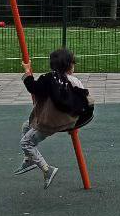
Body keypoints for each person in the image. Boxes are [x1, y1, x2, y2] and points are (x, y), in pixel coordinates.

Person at [15, 47, 93, 188]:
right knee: (26, 125)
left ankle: (47, 169)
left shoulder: (48, 79)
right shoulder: (75, 81)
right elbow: (85, 100)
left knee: (26, 143)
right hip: (71, 120)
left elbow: (33, 87)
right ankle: (28, 159)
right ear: (70, 65)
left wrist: (27, 72)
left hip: (51, 122)